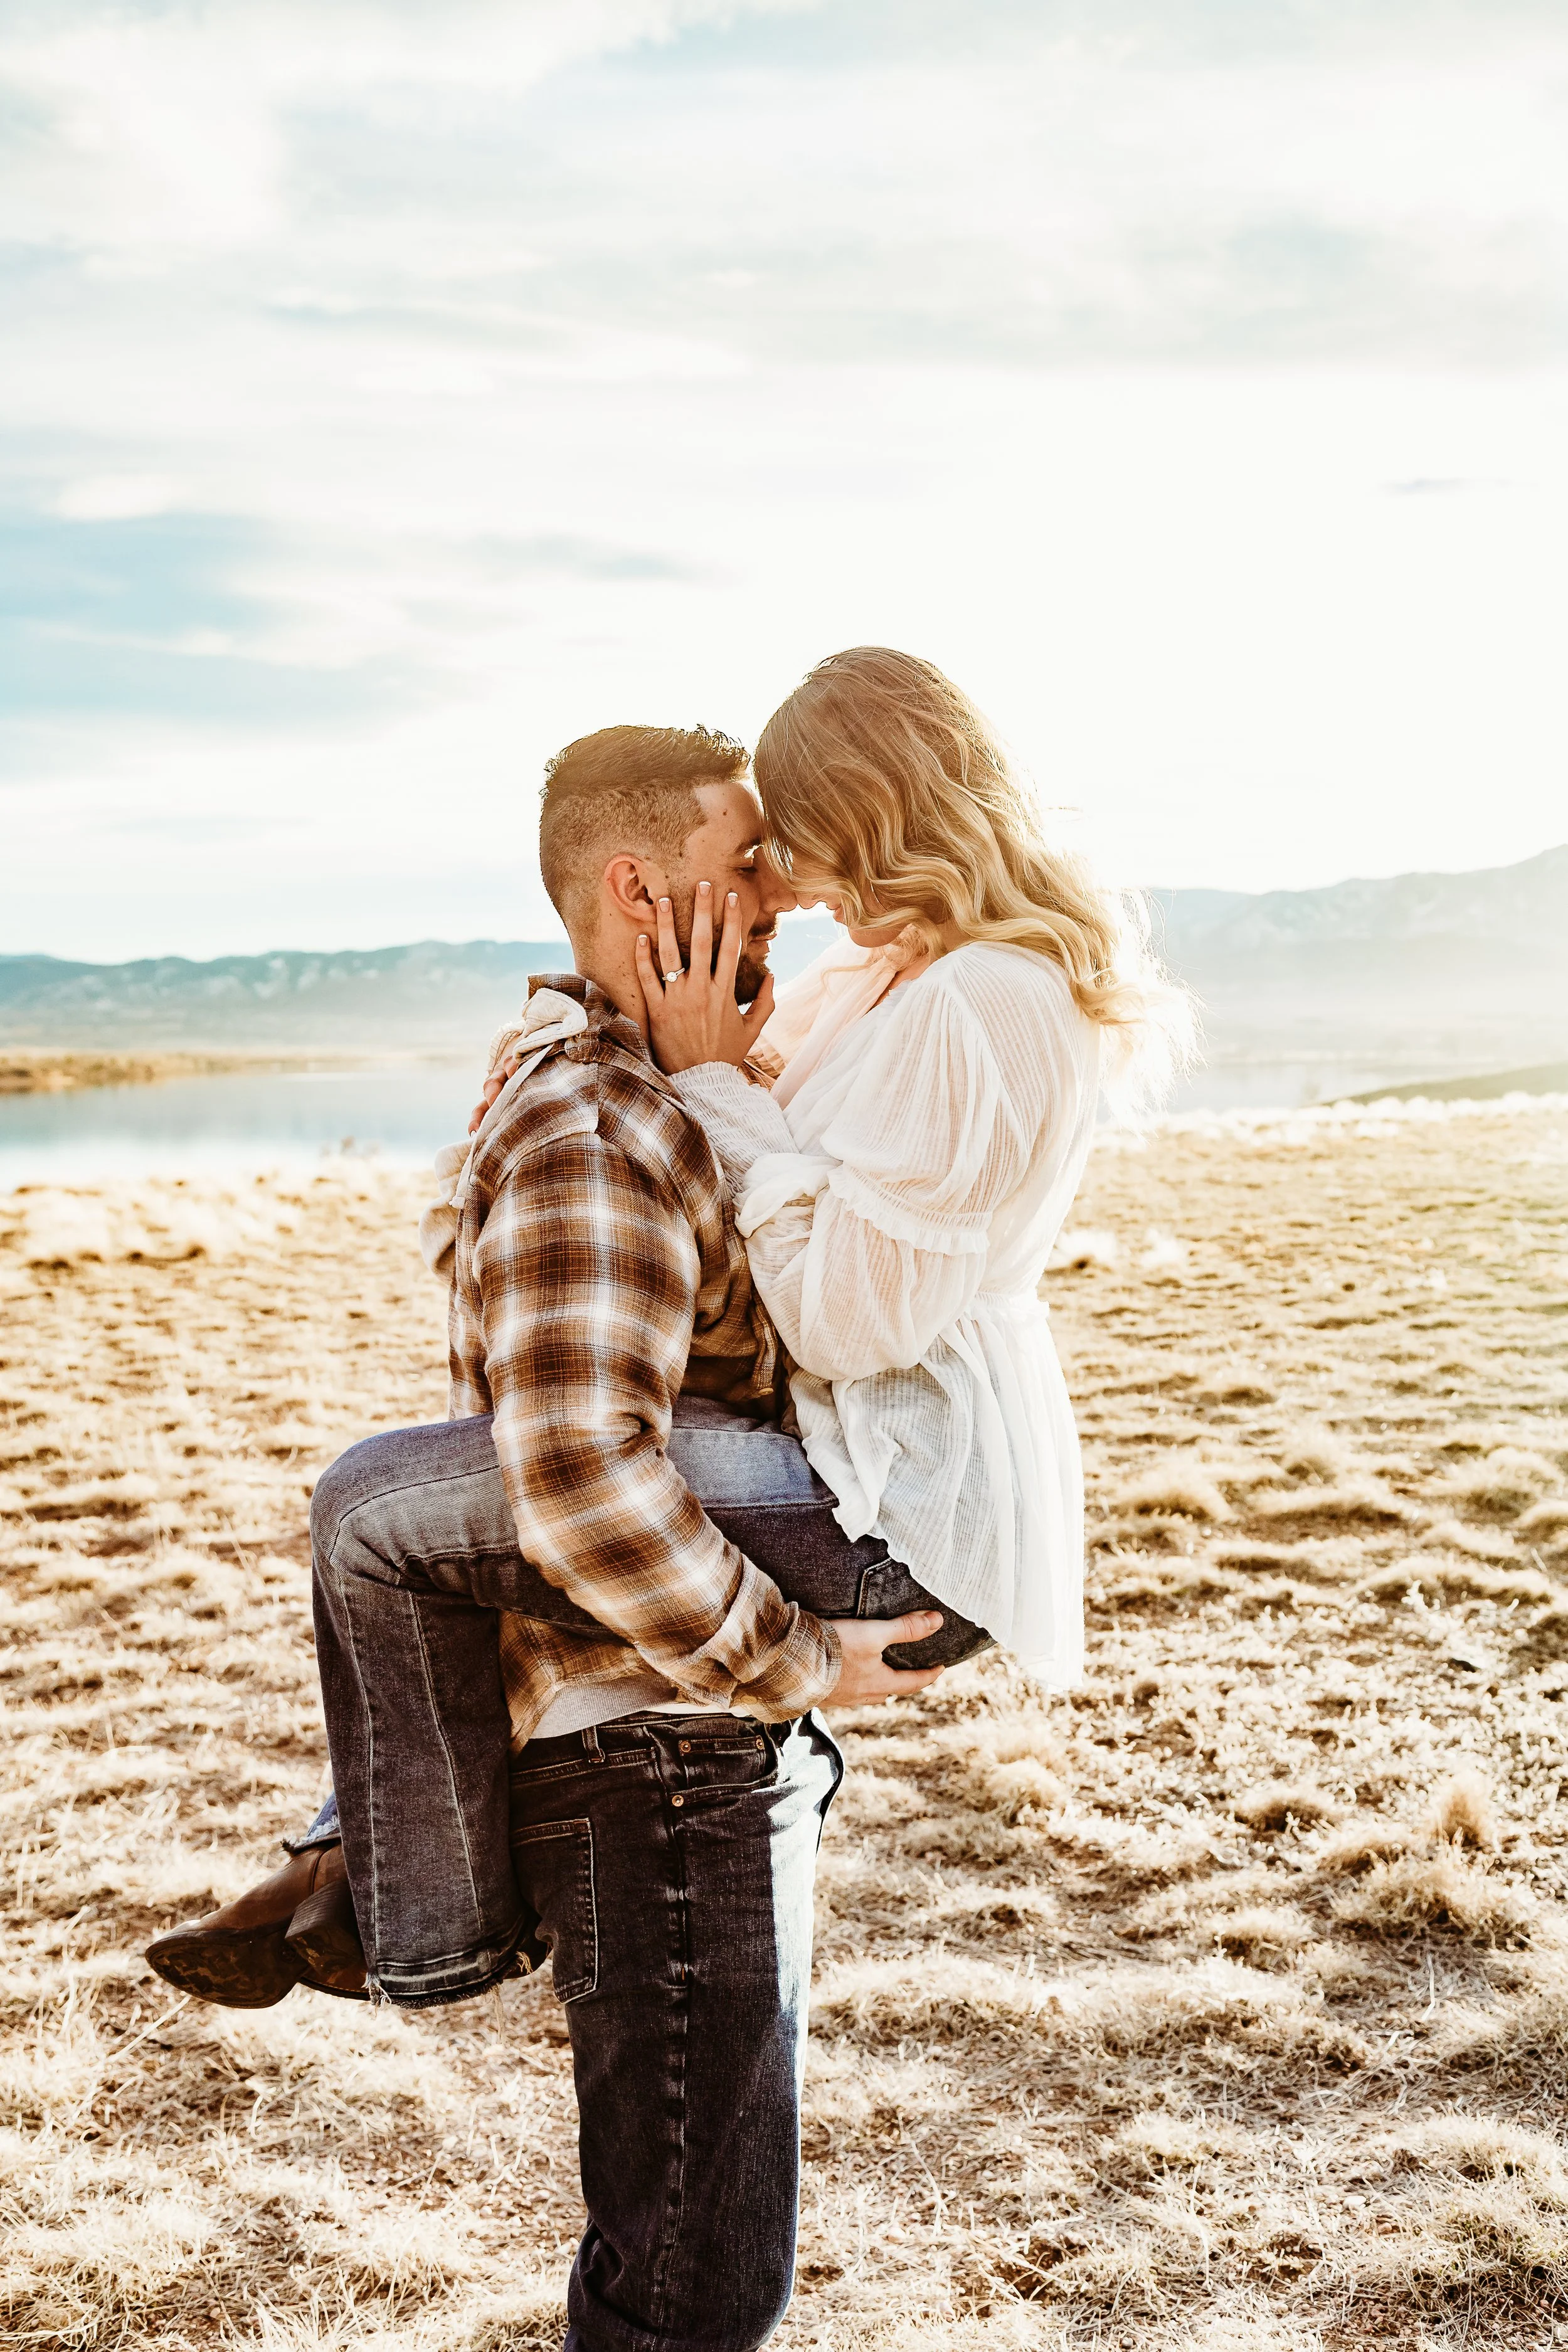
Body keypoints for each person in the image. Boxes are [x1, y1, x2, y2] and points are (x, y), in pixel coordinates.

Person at [148, 662, 1181, 2352]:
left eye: (802, 850)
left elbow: (795, 1241)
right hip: (701, 1655)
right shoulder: (639, 1083)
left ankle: (385, 1894)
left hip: (816, 1542)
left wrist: (668, 1049)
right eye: (752, 857)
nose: (785, 891)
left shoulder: (909, 1005)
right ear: (645, 892)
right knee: (390, 1509)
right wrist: (788, 1663)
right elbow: (586, 1448)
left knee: (388, 1507)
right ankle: (389, 1891)